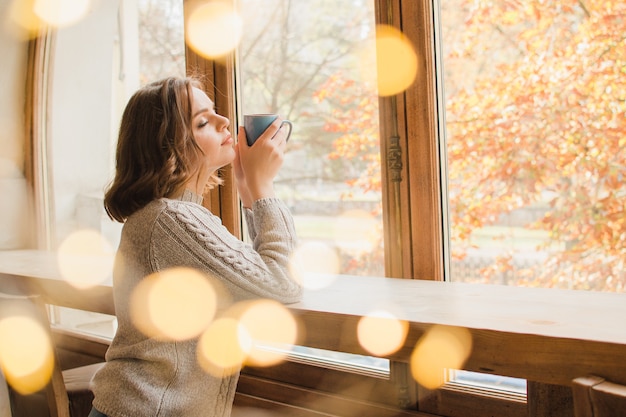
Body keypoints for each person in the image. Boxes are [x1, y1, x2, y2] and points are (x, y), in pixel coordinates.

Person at [89, 76, 302, 417]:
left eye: (215, 112)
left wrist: (249, 192)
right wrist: (263, 186)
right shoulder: (171, 219)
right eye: (203, 121)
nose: (224, 122)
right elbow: (283, 284)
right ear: (168, 149)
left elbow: (256, 273)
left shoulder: (169, 215)